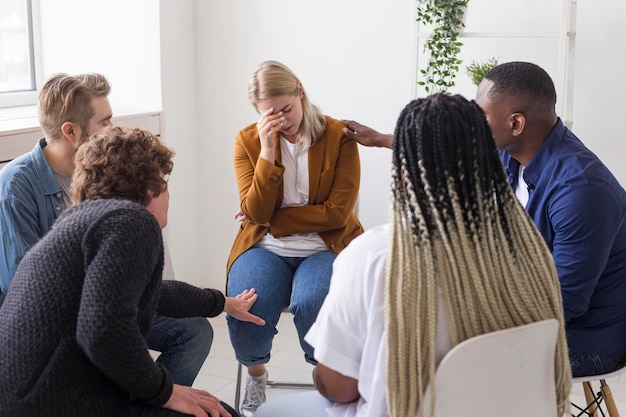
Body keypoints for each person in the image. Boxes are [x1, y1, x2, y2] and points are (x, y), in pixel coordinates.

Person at [254, 94, 572, 417]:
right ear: (487, 163)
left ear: (404, 177)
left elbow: (339, 387)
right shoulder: (530, 249)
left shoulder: (373, 256)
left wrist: (322, 371)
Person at [343, 62, 626, 379]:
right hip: (537, 310)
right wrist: (384, 139)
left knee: (431, 353)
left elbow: (562, 302)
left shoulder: (581, 190)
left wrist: (469, 311)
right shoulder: (515, 150)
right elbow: (453, 153)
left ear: (515, 123)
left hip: (583, 340)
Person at [0, 125, 259, 416]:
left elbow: (156, 293)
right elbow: (102, 330)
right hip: (54, 402)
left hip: (31, 398)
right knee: (218, 412)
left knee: (211, 405)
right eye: (164, 180)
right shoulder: (130, 220)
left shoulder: (80, 223)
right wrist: (163, 390)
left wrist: (222, 302)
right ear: (150, 187)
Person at [0, 73, 212, 386]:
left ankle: (153, 404)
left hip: (102, 301)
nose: (113, 130)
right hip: (53, 322)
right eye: (105, 121)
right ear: (70, 131)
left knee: (194, 331)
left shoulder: (104, 171)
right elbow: (22, 284)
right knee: (106, 346)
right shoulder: (17, 185)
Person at [226, 60, 363, 416]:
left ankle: (328, 382)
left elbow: (337, 213)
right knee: (246, 309)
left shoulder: (338, 137)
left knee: (314, 303)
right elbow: (255, 214)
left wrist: (275, 219)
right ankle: (256, 376)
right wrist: (268, 152)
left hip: (326, 247)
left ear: (300, 90)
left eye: (286, 109)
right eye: (270, 115)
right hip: (263, 247)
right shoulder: (248, 140)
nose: (282, 120)